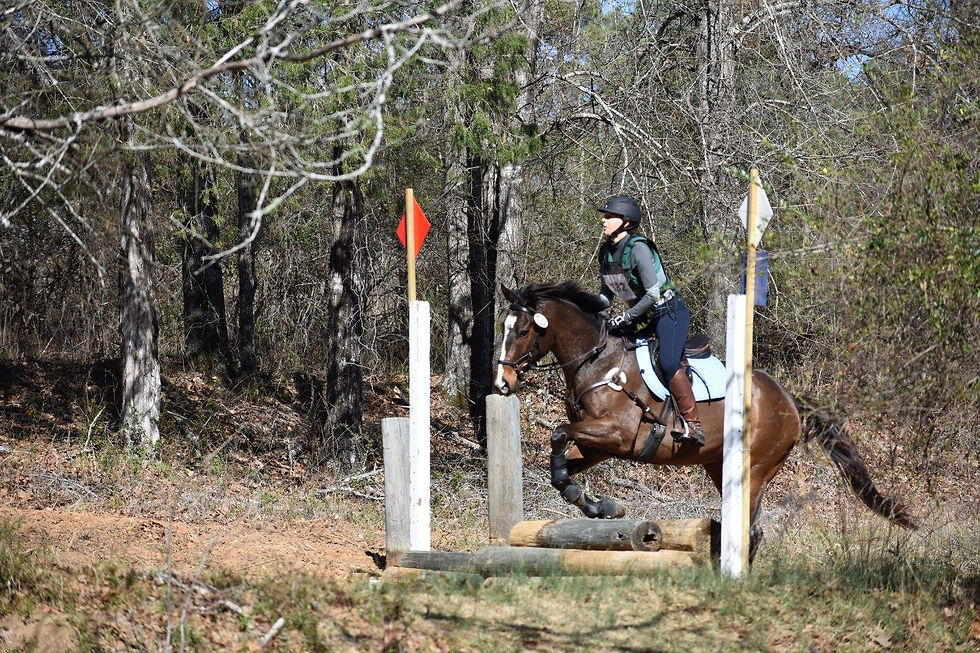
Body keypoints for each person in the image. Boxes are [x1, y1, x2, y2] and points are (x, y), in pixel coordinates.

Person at [596, 194, 704, 446]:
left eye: (609, 216)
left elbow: (653, 293)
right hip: (641, 315)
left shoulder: (639, 249)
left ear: (625, 222)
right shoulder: (606, 253)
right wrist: (595, 316)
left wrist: (626, 316)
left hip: (668, 311)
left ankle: (694, 425)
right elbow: (605, 295)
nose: (604, 220)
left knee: (667, 361)